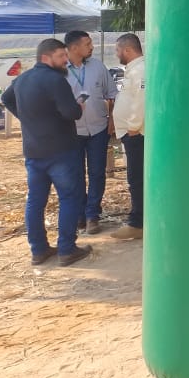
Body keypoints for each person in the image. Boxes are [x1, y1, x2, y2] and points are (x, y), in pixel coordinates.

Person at [0, 39, 92, 267]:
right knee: (69, 198)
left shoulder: (22, 79)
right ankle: (67, 249)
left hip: (33, 150)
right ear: (46, 57)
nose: (65, 61)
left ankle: (39, 250)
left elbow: (5, 99)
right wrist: (79, 107)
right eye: (61, 56)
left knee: (35, 201)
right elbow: (71, 113)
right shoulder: (55, 80)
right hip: (61, 149)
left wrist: (27, 117)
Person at [64, 31, 118, 235]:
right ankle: (80, 214)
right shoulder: (60, 70)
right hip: (72, 132)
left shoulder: (97, 67)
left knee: (97, 173)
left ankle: (92, 215)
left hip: (98, 129)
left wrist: (112, 119)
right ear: (74, 47)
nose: (91, 47)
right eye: (87, 43)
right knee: (76, 175)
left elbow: (112, 94)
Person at [110, 33, 145, 241]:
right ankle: (138, 219)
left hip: (137, 134)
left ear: (127, 50)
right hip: (132, 133)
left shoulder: (140, 70)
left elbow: (141, 100)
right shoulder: (134, 69)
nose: (116, 54)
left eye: (117, 50)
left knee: (137, 178)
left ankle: (137, 222)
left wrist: (133, 126)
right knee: (135, 177)